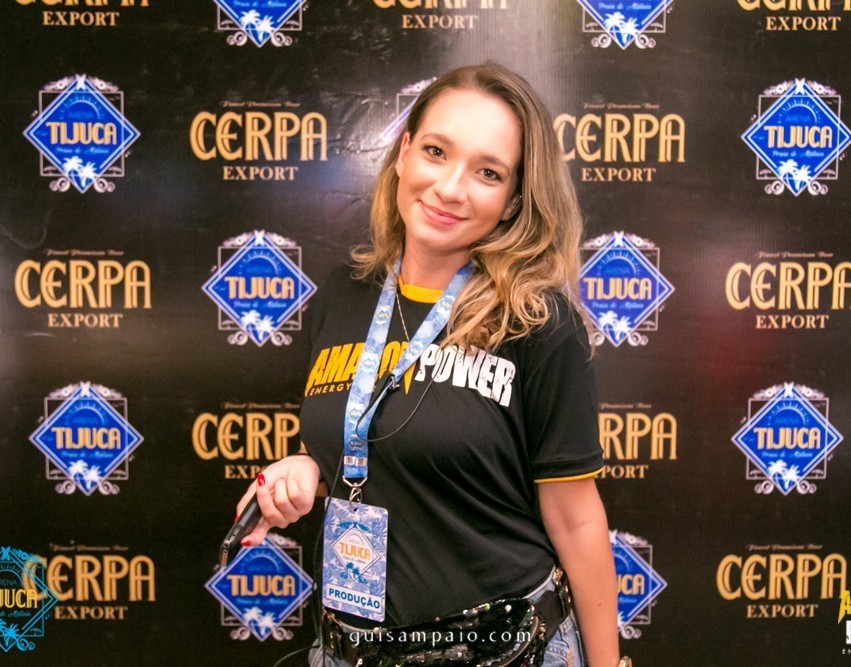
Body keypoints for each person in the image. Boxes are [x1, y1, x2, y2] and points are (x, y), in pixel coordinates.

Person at [236, 63, 621, 667]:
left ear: (513, 201)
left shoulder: (538, 322)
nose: (450, 188)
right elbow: (374, 436)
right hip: (349, 652)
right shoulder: (342, 295)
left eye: (488, 172)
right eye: (437, 152)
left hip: (505, 652)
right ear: (404, 153)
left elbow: (576, 522)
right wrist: (310, 467)